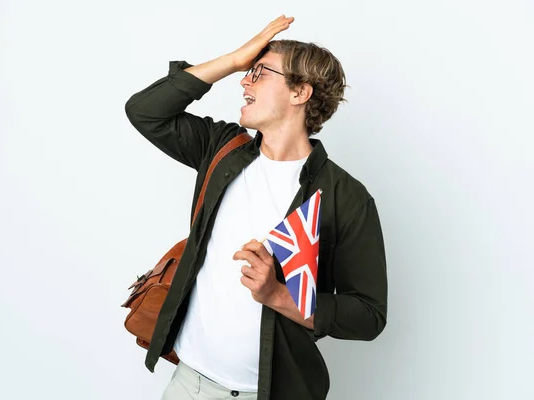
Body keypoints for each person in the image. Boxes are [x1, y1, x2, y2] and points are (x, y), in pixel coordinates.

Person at [125, 15, 388, 400]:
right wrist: (233, 59)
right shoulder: (222, 149)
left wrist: (278, 295)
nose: (244, 81)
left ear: (300, 92)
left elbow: (368, 315)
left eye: (260, 72)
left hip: (266, 393)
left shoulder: (343, 197)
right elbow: (145, 111)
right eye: (246, 72)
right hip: (188, 383)